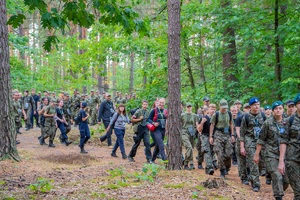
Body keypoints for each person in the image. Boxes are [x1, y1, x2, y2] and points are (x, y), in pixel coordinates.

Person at [254, 101, 289, 200]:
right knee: (277, 175)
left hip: (285, 154)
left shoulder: (287, 122)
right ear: (273, 111)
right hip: (271, 154)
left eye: (280, 108)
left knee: (286, 180)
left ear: (283, 110)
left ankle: (279, 189)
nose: (278, 110)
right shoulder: (267, 123)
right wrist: (257, 154)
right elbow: (261, 139)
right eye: (276, 108)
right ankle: (278, 197)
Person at [240, 97, 266, 192]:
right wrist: (242, 146)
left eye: (258, 104)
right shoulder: (246, 117)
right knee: (253, 161)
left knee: (261, 162)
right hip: (250, 140)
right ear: (250, 106)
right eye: (255, 105)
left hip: (260, 141)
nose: (257, 106)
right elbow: (242, 133)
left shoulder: (263, 116)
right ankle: (256, 184)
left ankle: (252, 176)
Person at [278, 93, 300, 200]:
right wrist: (281, 161)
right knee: (298, 191)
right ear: (296, 106)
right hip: (293, 160)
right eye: (299, 103)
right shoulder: (288, 121)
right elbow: (283, 141)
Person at [209, 99, 235, 178]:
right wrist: (211, 137)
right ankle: (222, 170)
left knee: (229, 153)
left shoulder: (229, 114)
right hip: (218, 134)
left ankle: (227, 167)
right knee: (219, 152)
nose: (224, 109)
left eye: (225, 107)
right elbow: (212, 125)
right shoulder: (216, 114)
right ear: (219, 106)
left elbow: (231, 124)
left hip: (227, 134)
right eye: (223, 107)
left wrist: (233, 135)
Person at [148, 98, 168, 163]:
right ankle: (164, 157)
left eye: (163, 103)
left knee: (158, 145)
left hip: (163, 129)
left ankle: (152, 160)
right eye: (160, 102)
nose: (161, 104)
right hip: (156, 130)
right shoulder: (154, 110)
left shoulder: (166, 111)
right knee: (161, 143)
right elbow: (149, 119)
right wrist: (153, 123)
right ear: (158, 102)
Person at [235, 103, 250, 185]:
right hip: (241, 139)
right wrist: (241, 139)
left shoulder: (253, 117)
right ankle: (243, 177)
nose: (247, 109)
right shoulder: (240, 117)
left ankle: (249, 174)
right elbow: (237, 130)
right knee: (241, 159)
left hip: (250, 141)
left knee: (250, 159)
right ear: (243, 109)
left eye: (248, 108)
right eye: (246, 108)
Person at [181, 103, 198, 170]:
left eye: (190, 107)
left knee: (190, 148)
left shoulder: (194, 115)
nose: (189, 108)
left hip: (192, 132)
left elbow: (196, 124)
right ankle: (186, 162)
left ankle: (189, 164)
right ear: (186, 108)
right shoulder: (182, 115)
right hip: (184, 132)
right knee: (189, 147)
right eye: (188, 107)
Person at [197, 105, 215, 174]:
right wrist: (202, 123)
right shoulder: (204, 118)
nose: (212, 110)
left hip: (213, 136)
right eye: (211, 109)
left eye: (214, 109)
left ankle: (209, 167)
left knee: (212, 152)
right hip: (205, 136)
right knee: (206, 151)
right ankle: (209, 168)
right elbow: (199, 129)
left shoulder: (216, 117)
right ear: (208, 110)